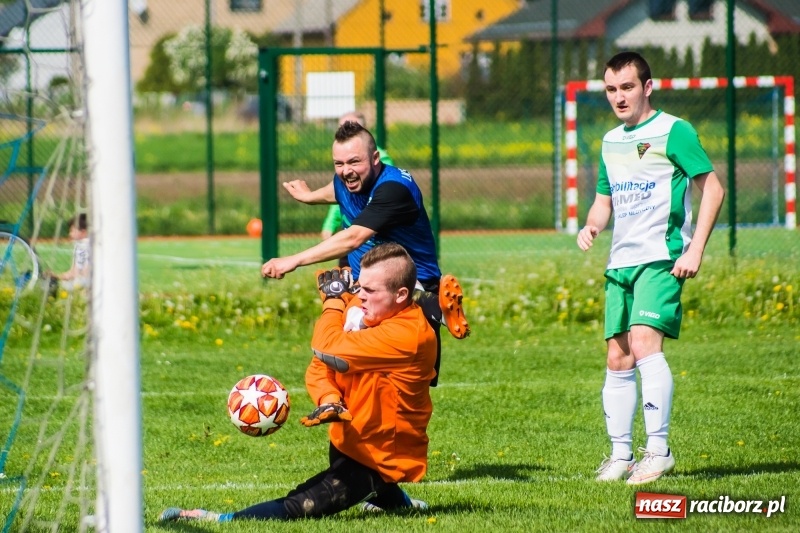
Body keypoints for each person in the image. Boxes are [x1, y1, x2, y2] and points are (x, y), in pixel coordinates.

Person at [160, 243, 436, 523]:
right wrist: (328, 397)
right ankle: (400, 503)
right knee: (361, 483)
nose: (359, 296)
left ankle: (219, 519)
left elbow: (325, 345)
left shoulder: (407, 335)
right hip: (351, 436)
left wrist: (331, 304)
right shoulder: (364, 309)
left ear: (401, 294)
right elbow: (320, 362)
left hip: (381, 453)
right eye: (359, 286)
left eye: (370, 290)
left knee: (303, 504)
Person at [576, 51, 725, 485]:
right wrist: (591, 225)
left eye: (626, 87)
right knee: (617, 356)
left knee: (644, 342)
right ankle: (620, 455)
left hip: (660, 257)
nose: (618, 97)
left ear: (647, 87)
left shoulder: (673, 131)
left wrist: (695, 248)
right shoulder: (609, 141)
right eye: (611, 89)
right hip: (619, 261)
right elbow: (605, 199)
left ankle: (658, 451)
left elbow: (712, 189)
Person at [261, 119, 469, 386]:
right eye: (339, 163)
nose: (346, 171)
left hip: (403, 286)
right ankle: (437, 308)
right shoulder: (346, 181)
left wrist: (294, 260)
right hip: (371, 286)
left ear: (374, 158)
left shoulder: (393, 189)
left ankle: (433, 304)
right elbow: (335, 191)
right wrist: (310, 196)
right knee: (358, 374)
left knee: (384, 376)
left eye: (354, 162)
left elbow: (353, 237)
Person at [320, 112, 395, 269]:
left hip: (373, 233)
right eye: (343, 127)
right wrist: (329, 225)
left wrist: (293, 261)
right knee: (342, 285)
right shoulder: (343, 159)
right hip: (350, 228)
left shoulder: (381, 161)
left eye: (353, 126)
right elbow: (343, 196)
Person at [51, 213, 90, 291]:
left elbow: (80, 272)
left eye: (72, 230)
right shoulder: (80, 244)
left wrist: (58, 277)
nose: (70, 234)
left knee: (60, 286)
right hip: (84, 280)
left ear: (83, 232)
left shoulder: (85, 245)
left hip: (87, 282)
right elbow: (75, 271)